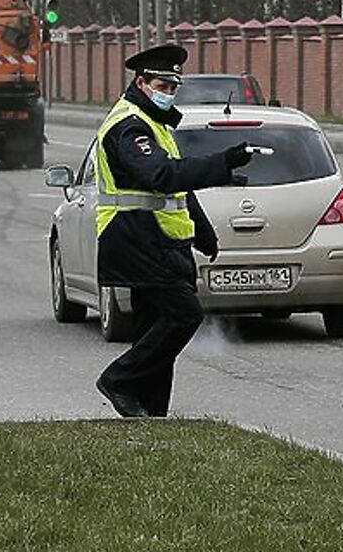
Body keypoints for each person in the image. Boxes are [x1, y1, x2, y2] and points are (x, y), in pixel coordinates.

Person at [93, 44, 254, 418]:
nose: (167, 93)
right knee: (184, 316)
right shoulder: (130, 126)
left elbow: (178, 186)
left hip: (162, 239)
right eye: (162, 85)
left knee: (154, 325)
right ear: (141, 81)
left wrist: (202, 230)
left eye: (172, 87)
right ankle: (119, 379)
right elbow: (161, 176)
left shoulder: (154, 124)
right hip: (136, 237)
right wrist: (222, 163)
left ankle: (151, 413)